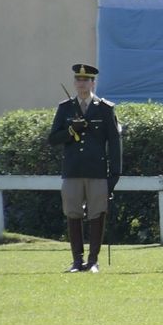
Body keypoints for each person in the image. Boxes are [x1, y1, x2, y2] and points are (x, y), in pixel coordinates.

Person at [47, 63, 121, 273]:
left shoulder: (105, 108)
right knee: (73, 213)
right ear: (74, 82)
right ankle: (77, 261)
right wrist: (71, 130)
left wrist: (115, 174)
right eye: (78, 80)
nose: (82, 84)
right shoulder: (65, 108)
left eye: (86, 80)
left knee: (97, 213)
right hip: (73, 170)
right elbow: (53, 138)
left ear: (93, 83)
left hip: (97, 170)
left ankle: (93, 261)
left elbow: (114, 143)